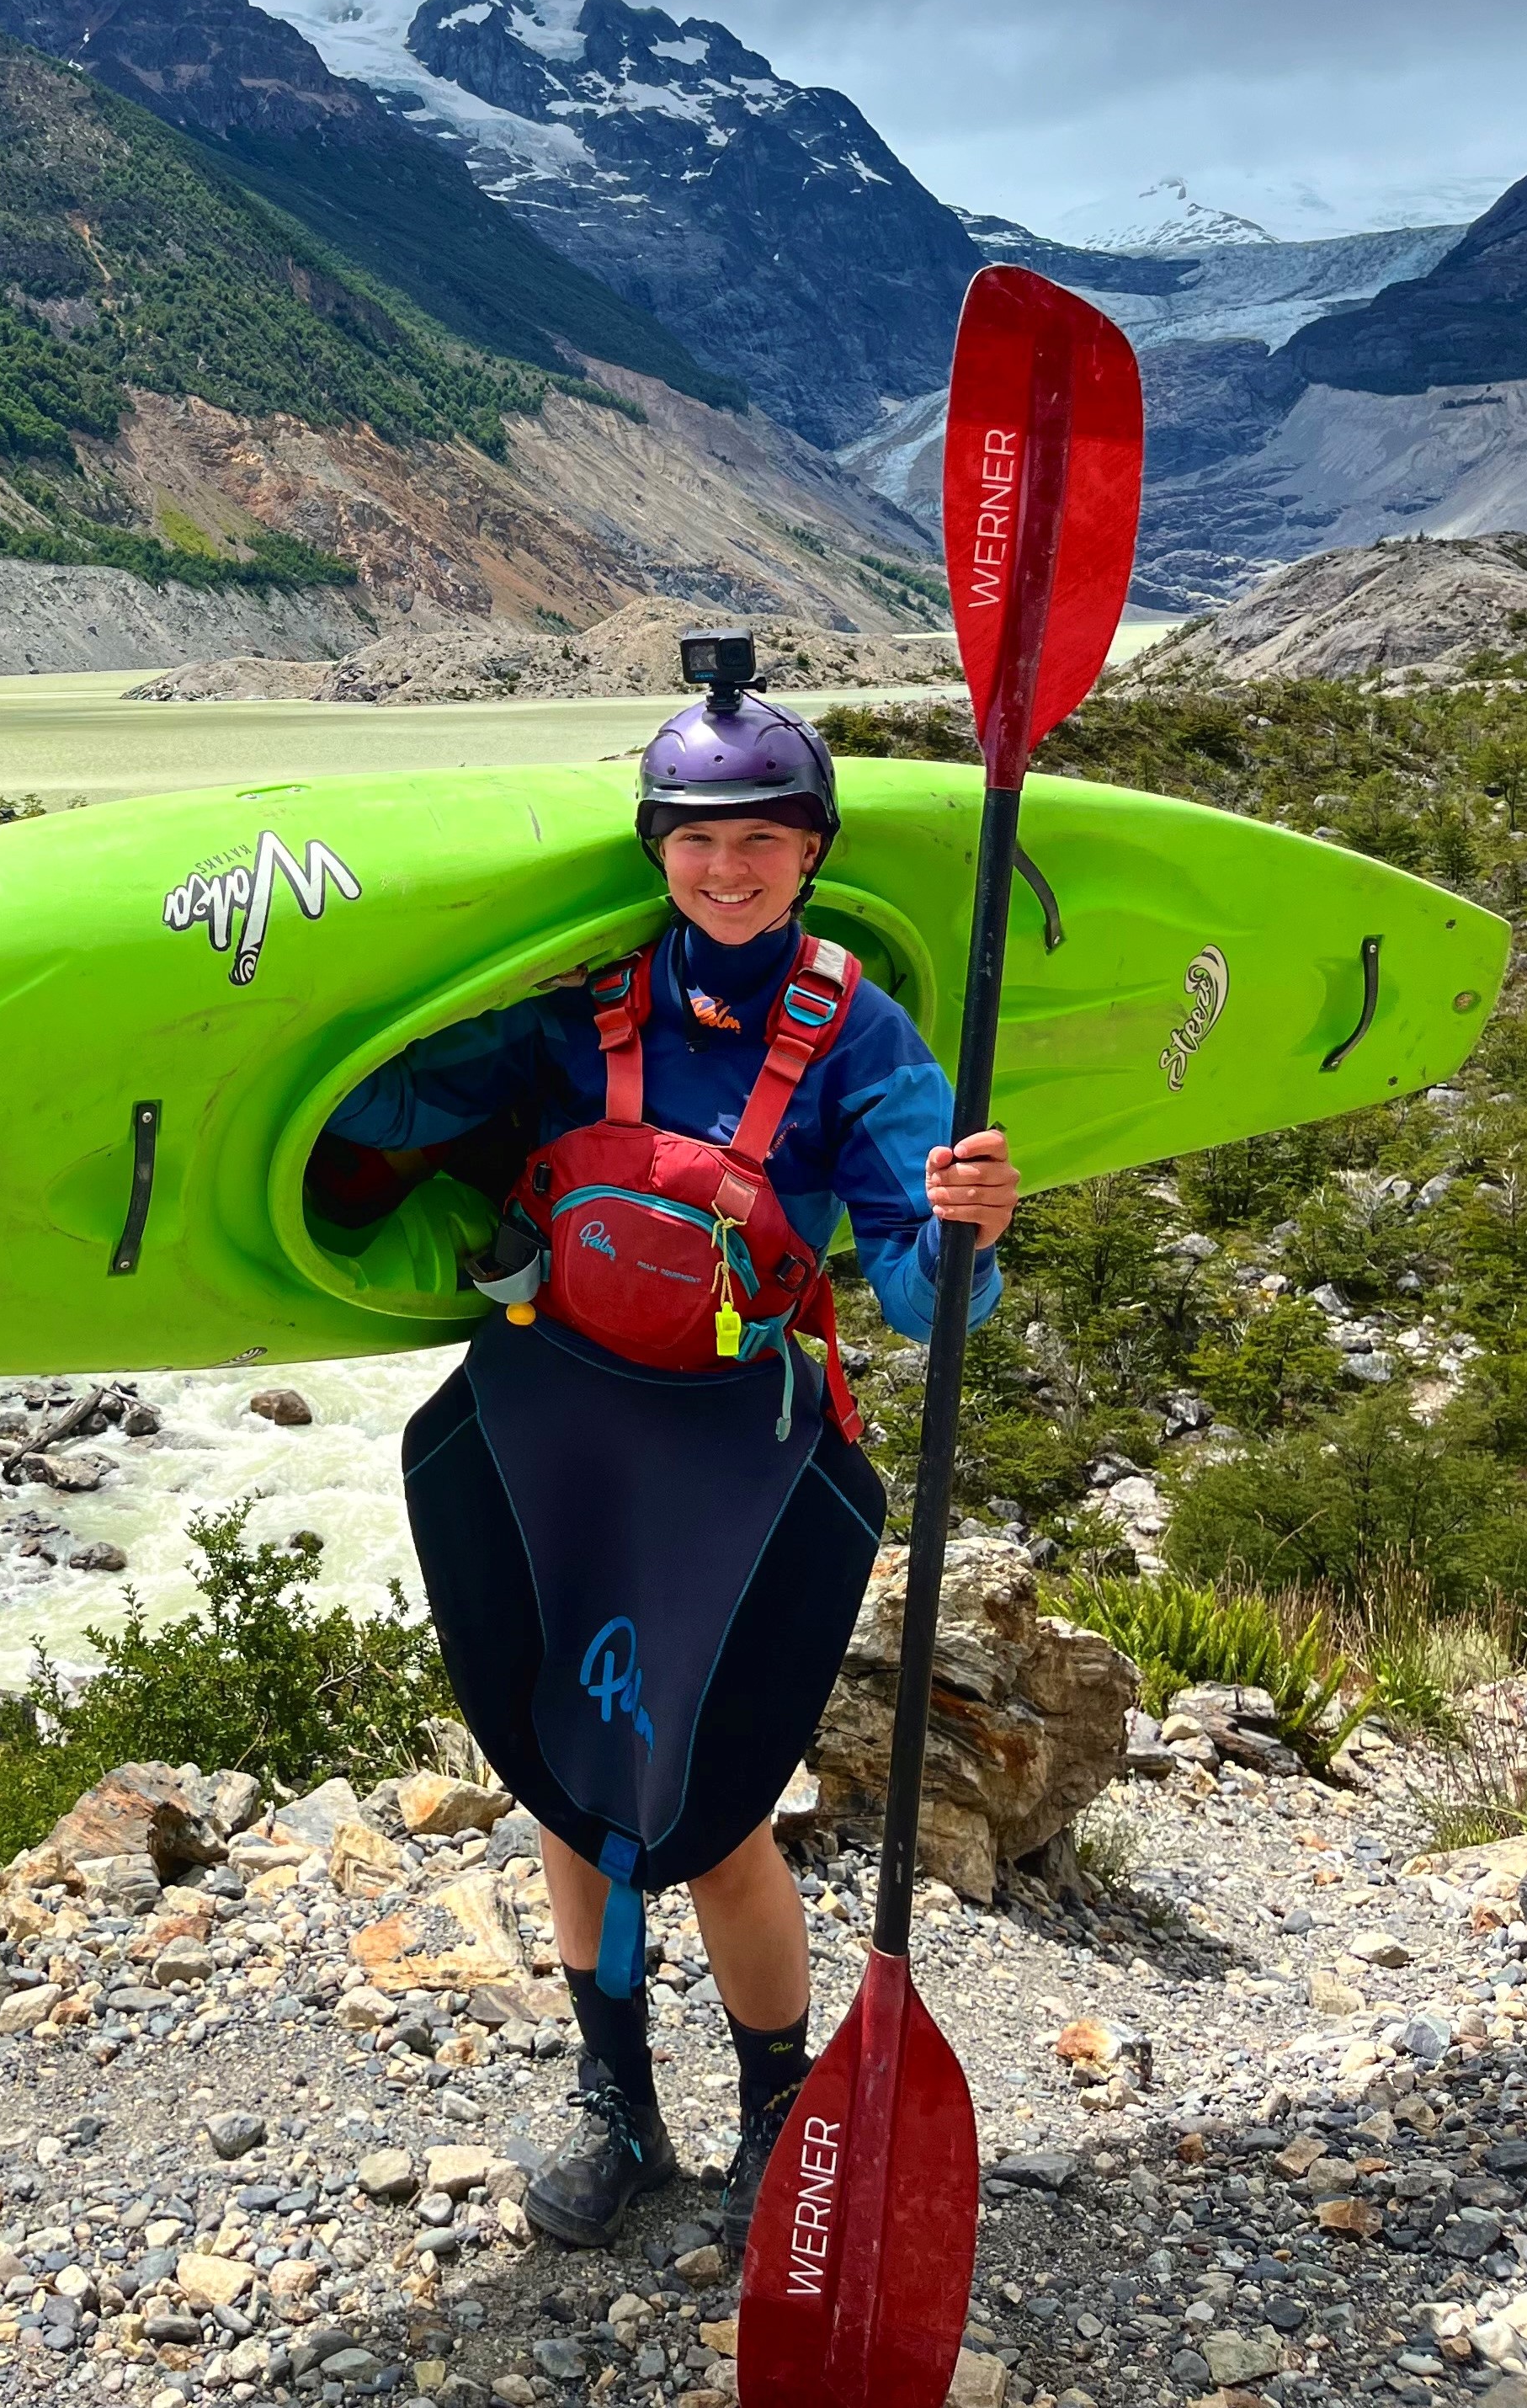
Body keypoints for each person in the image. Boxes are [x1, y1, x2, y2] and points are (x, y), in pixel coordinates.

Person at [327, 644, 1018, 2251]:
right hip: (559, 1424)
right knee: (573, 1785)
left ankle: (778, 2105)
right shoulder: (581, 1008)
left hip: (733, 1458)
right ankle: (617, 2099)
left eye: (762, 838)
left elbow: (922, 1291)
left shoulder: (862, 1040)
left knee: (716, 1814)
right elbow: (386, 1122)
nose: (727, 867)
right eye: (697, 838)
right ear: (657, 848)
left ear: (812, 851)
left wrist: (966, 1229)